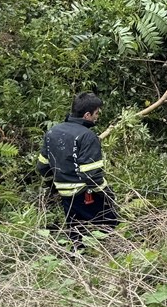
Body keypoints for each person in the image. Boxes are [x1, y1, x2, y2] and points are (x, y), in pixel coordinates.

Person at [37, 92, 118, 234]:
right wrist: (107, 193)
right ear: (87, 115)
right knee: (111, 227)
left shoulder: (52, 132)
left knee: (76, 233)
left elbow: (42, 166)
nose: (97, 117)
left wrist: (54, 187)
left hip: (66, 196)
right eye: (96, 114)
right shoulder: (88, 136)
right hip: (86, 195)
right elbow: (91, 174)